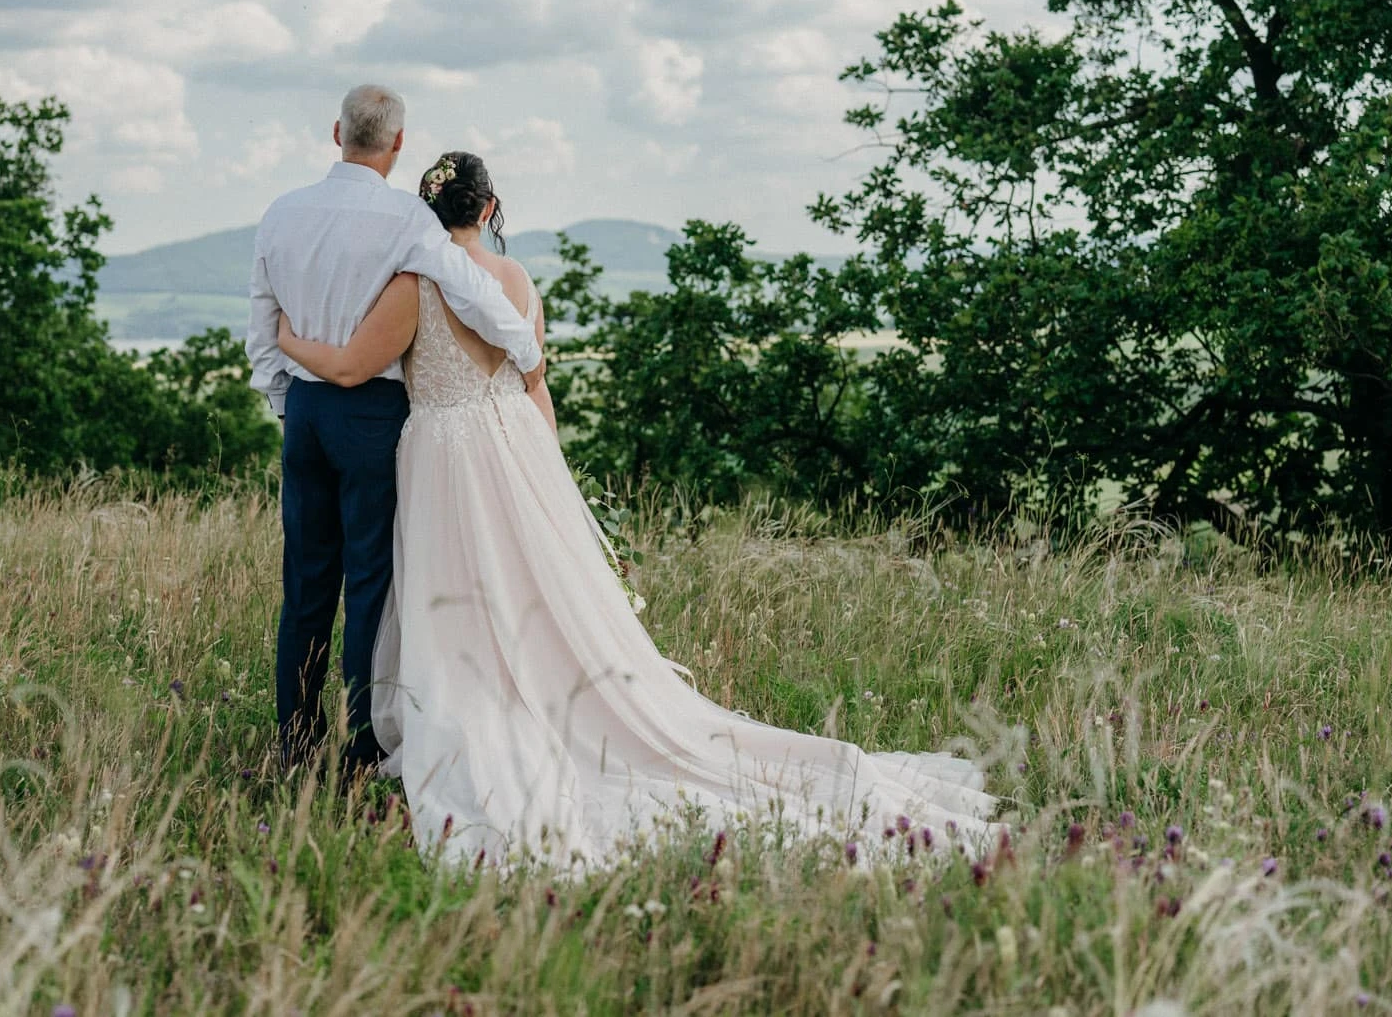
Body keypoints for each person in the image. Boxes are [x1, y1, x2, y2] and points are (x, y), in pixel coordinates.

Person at [276, 150, 997, 868]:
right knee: (533, 592)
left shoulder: (414, 283)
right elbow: (534, 380)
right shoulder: (518, 280)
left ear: (426, 210)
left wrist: (283, 335)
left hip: (444, 457)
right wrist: (550, 480)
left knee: (455, 593)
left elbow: (356, 366)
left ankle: (469, 709)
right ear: (488, 208)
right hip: (514, 447)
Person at [247, 86, 547, 775]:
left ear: (337, 132)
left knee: (306, 586)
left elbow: (263, 323)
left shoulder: (281, 212)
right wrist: (527, 355)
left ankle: (296, 742)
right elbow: (471, 291)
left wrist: (286, 405)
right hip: (372, 416)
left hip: (306, 411)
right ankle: (361, 746)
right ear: (399, 143)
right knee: (371, 587)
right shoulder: (406, 218)